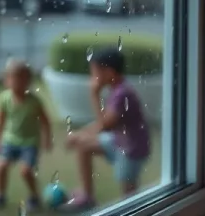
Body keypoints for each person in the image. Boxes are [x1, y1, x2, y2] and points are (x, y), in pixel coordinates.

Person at [59, 47, 151, 212]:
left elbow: (105, 124)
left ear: (109, 72)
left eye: (95, 72)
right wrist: (80, 135)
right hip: (119, 141)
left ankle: (133, 210)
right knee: (83, 146)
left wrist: (94, 95)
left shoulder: (122, 94)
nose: (92, 77)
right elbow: (105, 124)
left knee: (129, 193)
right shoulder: (118, 90)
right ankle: (87, 195)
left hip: (131, 149)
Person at [0, 58, 52, 211]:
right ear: (7, 80)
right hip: (10, 140)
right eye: (14, 79)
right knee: (0, 167)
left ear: (28, 81)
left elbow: (45, 121)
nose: (18, 83)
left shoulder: (34, 102)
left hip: (30, 142)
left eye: (23, 79)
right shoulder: (4, 99)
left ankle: (35, 197)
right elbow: (0, 122)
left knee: (26, 171)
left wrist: (47, 139)